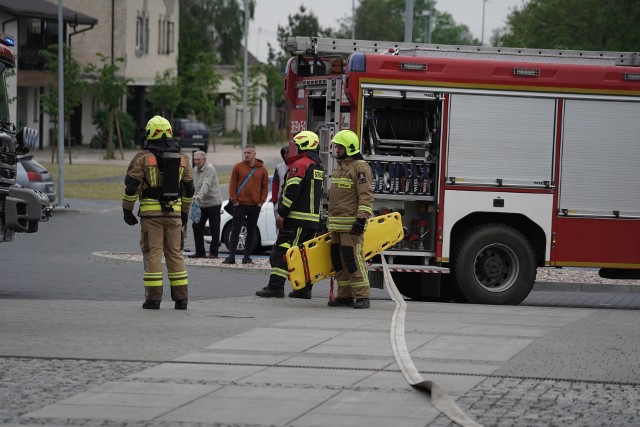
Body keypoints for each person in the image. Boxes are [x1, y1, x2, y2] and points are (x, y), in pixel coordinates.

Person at [122, 115, 195, 310]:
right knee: (175, 254)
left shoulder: (142, 158)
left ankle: (153, 299)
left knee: (153, 253)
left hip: (151, 217)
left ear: (150, 134)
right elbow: (189, 190)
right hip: (175, 215)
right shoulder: (183, 158)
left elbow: (131, 187)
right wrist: (184, 213)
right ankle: (181, 299)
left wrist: (127, 210)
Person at [256, 131, 324, 299]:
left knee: (281, 252)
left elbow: (291, 192)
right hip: (312, 222)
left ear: (304, 145)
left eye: (298, 145)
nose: (296, 148)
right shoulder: (317, 166)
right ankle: (304, 289)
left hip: (296, 221)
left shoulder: (299, 165)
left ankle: (275, 287)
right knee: (305, 255)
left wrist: (282, 212)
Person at [326, 130, 374, 309]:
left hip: (351, 225)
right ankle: (344, 296)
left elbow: (366, 196)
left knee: (353, 259)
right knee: (338, 260)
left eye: (339, 147)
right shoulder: (341, 166)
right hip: (337, 224)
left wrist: (361, 220)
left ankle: (362, 296)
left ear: (349, 148)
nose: (336, 149)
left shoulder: (360, 168)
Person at [222, 144, 268, 264]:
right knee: (235, 230)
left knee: (251, 231)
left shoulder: (262, 169)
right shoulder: (238, 167)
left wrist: (261, 202)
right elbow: (232, 185)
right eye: (245, 153)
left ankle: (246, 257)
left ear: (254, 154)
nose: (246, 155)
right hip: (240, 205)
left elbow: (264, 187)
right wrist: (235, 201)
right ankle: (231, 256)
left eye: (249, 153)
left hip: (255, 205)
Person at [189, 150, 222, 259]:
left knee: (214, 228)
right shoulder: (194, 170)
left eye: (198, 159)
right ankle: (200, 252)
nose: (196, 162)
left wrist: (200, 195)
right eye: (195, 160)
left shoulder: (210, 169)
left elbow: (206, 184)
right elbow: (194, 186)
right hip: (201, 204)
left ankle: (213, 253)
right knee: (196, 226)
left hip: (213, 203)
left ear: (204, 160)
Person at [271, 146, 288, 226]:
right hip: (279, 204)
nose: (285, 155)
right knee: (279, 228)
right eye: (284, 153)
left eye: (287, 153)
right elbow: (275, 185)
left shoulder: (297, 166)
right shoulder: (279, 167)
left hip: (290, 204)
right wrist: (274, 202)